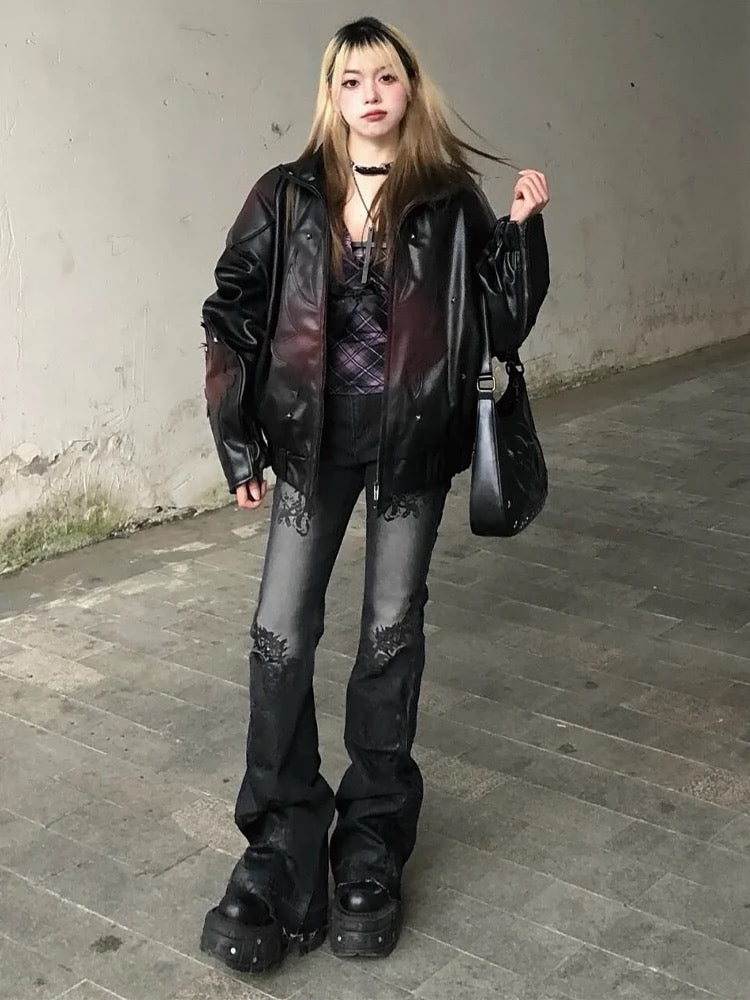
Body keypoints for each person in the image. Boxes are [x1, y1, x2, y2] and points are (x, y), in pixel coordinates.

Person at [199, 15, 550, 974]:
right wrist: (237, 440)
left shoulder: (449, 197)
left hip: (409, 448)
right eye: (351, 80)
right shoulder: (286, 194)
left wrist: (521, 233)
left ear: (410, 87)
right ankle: (281, 840)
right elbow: (231, 309)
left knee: (390, 631)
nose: (370, 95)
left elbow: (501, 322)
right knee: (279, 635)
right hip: (308, 447)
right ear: (332, 94)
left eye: (385, 77)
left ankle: (373, 834)